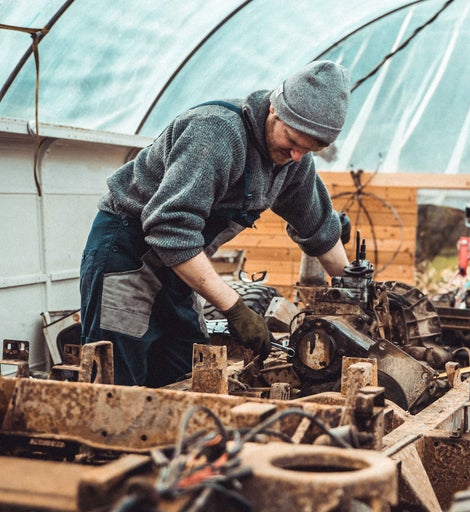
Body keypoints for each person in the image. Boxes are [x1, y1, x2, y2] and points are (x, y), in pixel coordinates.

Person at [79, 60, 351, 387]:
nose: (297, 156)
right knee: (116, 382)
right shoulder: (216, 132)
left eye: (310, 150)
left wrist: (355, 296)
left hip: (177, 268)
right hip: (127, 254)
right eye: (293, 140)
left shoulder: (295, 162)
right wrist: (235, 308)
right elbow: (170, 228)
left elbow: (319, 230)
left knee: (188, 368)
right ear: (275, 109)